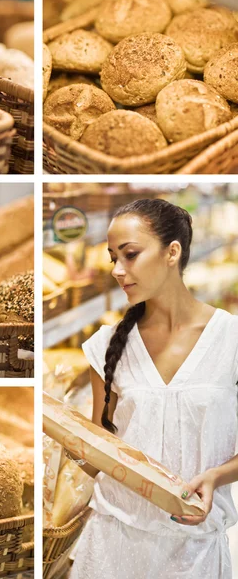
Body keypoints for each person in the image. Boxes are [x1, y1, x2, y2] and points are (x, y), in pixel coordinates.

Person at [68, 198, 238, 579]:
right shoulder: (105, 346)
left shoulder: (231, 339)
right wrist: (64, 437)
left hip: (194, 552)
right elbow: (98, 459)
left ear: (172, 252)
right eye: (112, 257)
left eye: (129, 255)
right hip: (112, 545)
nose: (117, 270)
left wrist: (214, 477)